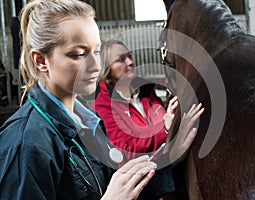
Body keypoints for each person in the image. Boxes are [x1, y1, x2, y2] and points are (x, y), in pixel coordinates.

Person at [0, 0, 204, 199]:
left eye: (96, 51)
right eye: (79, 54)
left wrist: (171, 156)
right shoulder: (25, 145)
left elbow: (118, 183)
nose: (96, 65)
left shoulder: (89, 121)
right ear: (41, 60)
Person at [91, 39, 179, 162]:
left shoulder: (147, 91)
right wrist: (165, 128)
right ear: (106, 69)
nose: (131, 62)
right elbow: (127, 149)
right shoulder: (103, 107)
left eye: (130, 56)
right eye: (121, 59)